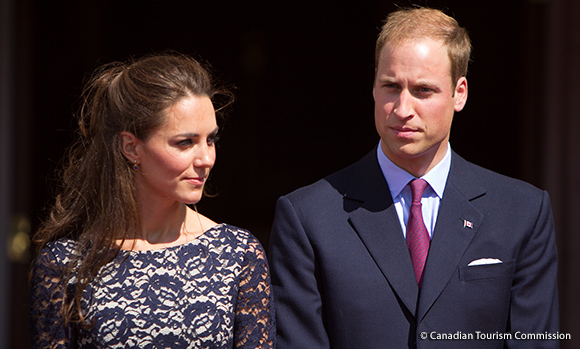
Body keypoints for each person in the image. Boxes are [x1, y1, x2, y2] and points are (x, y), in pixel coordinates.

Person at [269, 7, 558, 349]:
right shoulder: (308, 217)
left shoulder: (521, 211)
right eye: (391, 86)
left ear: (459, 93)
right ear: (373, 88)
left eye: (423, 90)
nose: (403, 109)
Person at [30, 53, 275, 348]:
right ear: (131, 147)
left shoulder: (237, 254)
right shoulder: (65, 264)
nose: (206, 159)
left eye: (211, 140)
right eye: (185, 142)